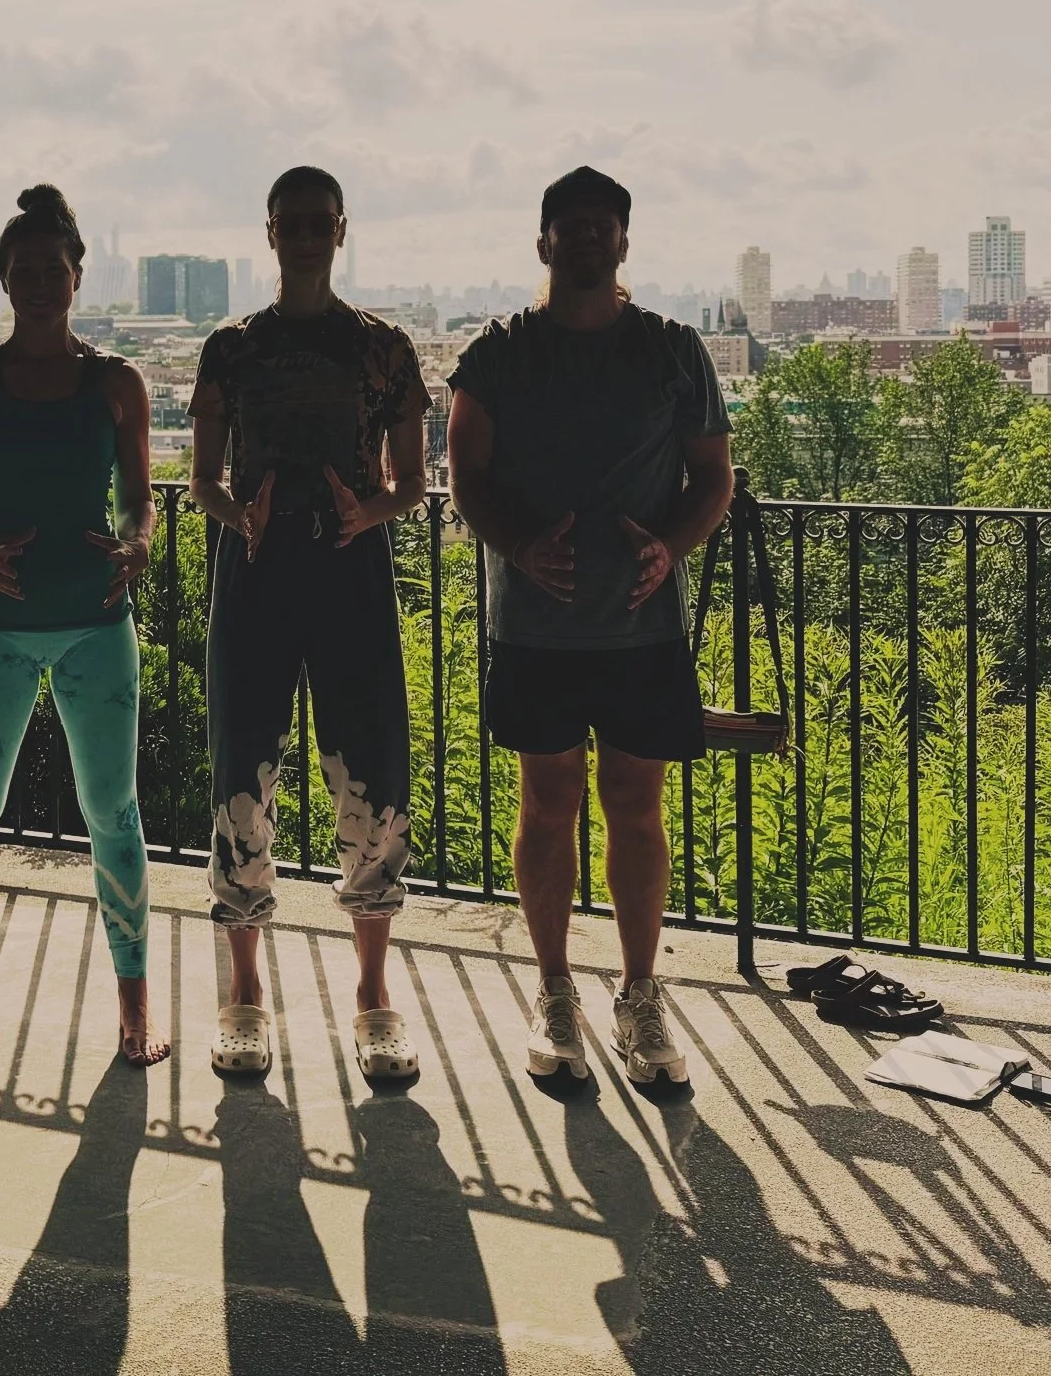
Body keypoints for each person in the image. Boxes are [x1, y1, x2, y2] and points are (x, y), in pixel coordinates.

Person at [445, 166, 734, 1087]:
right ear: (543, 244)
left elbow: (713, 481)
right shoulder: (499, 353)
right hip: (536, 628)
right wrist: (521, 549)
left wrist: (672, 549)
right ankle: (557, 992)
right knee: (549, 804)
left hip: (643, 628)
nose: (582, 239)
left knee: (636, 810)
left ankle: (640, 994)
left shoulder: (671, 350)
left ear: (621, 242)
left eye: (598, 226)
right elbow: (465, 480)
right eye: (567, 227)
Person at [0, 184, 171, 1069]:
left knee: (115, 814)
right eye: (21, 271)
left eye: (51, 270)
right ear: (3, 279)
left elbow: (142, 501)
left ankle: (135, 1006)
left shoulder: (118, 383)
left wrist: (139, 544)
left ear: (76, 275)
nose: (37, 284)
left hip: (98, 622)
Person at [190, 166, 427, 1086]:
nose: (303, 236)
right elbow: (203, 477)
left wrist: (374, 512)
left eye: (317, 222)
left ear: (340, 228)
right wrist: (231, 514)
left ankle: (372, 997)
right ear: (270, 231)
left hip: (349, 570)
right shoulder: (229, 349)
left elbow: (410, 482)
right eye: (289, 222)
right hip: (254, 570)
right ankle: (244, 996)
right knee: (240, 767)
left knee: (372, 767)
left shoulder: (385, 349)